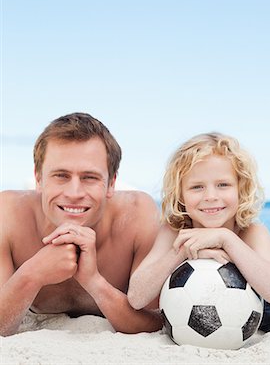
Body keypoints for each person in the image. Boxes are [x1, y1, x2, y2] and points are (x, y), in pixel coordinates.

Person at [0, 112, 163, 336]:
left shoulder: (137, 216)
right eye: (61, 176)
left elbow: (155, 323)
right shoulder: (8, 213)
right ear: (39, 179)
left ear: (111, 183)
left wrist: (95, 282)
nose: (74, 193)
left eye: (89, 177)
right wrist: (31, 273)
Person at [128, 132, 270, 331]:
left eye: (223, 185)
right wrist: (182, 251)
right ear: (180, 195)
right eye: (197, 187)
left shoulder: (252, 232)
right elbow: (136, 297)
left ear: (240, 189)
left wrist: (226, 239)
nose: (210, 196)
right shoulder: (174, 232)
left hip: (263, 311)